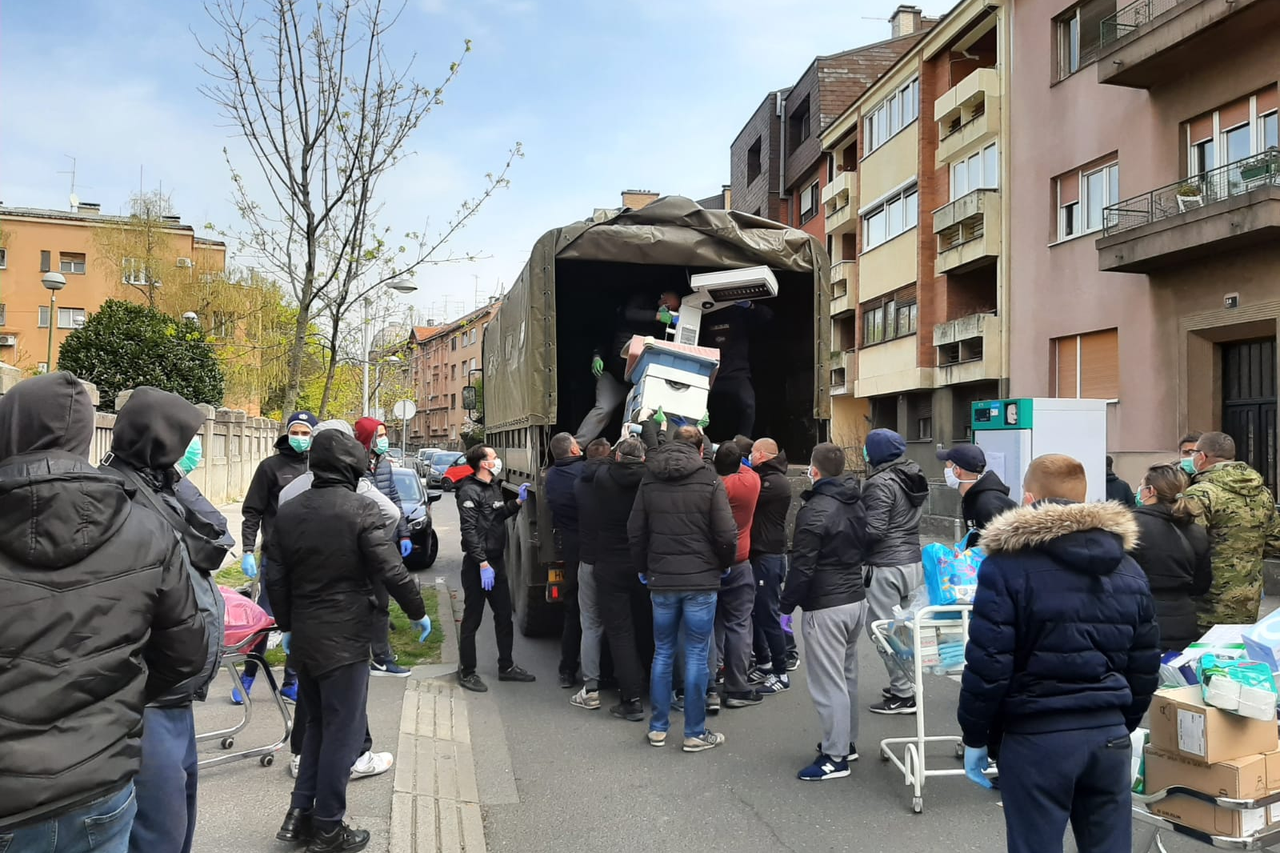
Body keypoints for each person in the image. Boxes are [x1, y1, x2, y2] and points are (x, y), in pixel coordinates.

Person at [0, 372, 207, 851]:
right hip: (100, 784)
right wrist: (114, 702)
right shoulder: (143, 523)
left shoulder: (147, 514)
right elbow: (185, 655)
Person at [958, 454, 1159, 853]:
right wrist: (1122, 722)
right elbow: (1144, 663)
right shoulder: (1128, 568)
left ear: (1030, 499)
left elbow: (989, 664)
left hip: (1037, 736)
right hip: (1108, 735)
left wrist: (977, 736)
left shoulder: (1006, 567)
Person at [267, 430, 431, 852]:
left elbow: (276, 576)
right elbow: (392, 570)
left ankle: (299, 814)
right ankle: (328, 826)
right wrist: (417, 611)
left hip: (304, 632)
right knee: (344, 730)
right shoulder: (360, 508)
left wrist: (286, 625)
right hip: (345, 635)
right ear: (352, 465)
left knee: (318, 726)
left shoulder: (289, 509)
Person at [102, 388, 227, 853]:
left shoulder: (158, 485)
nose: (192, 447)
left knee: (179, 819)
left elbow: (215, 535)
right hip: (145, 694)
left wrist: (174, 477)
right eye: (185, 437)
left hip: (175, 692)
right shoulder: (116, 495)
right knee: (158, 830)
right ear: (158, 436)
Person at [279, 420, 400, 783]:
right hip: (344, 610)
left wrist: (285, 622)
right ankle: (349, 770)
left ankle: (302, 761)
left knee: (312, 696)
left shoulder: (292, 492)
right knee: (347, 696)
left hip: (304, 608)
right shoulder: (355, 492)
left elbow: (277, 567)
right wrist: (369, 545)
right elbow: (391, 515)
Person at [629, 424, 737, 752]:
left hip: (661, 580)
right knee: (695, 654)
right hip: (702, 581)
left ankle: (659, 728)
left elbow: (635, 530)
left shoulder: (650, 478)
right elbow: (726, 534)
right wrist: (723, 563)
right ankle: (693, 732)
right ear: (702, 450)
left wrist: (644, 568)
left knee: (662, 652)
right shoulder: (710, 480)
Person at [780, 443, 869, 781]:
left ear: (813, 470)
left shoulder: (814, 509)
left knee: (827, 682)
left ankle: (835, 758)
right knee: (846, 677)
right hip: (854, 598)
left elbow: (802, 566)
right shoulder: (854, 501)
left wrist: (785, 607)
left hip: (826, 604)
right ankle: (845, 743)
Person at [240, 410, 317, 700]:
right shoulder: (270, 467)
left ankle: (291, 682)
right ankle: (247, 676)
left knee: (301, 622)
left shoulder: (319, 467)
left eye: (305, 433)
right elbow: (252, 511)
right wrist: (248, 549)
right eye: (295, 432)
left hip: (308, 558)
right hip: (275, 556)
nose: (299, 438)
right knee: (266, 619)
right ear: (287, 433)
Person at [455, 444, 537, 692]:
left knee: (504, 617)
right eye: (494, 457)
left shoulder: (493, 487)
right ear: (483, 463)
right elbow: (468, 531)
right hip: (477, 566)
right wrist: (481, 563)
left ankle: (507, 666)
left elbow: (496, 516)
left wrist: (518, 503)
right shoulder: (469, 491)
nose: (498, 460)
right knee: (472, 620)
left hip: (496, 563)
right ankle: (467, 672)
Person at [860, 429, 928, 716]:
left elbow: (874, 530)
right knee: (903, 629)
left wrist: (848, 534)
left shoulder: (879, 483)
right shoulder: (915, 475)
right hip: (912, 561)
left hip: (885, 565)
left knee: (883, 631)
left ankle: (903, 694)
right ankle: (908, 684)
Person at [1185, 431, 1280, 627]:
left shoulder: (1201, 492)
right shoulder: (1262, 492)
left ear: (1201, 457)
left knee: (1204, 652)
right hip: (1249, 592)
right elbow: (1273, 541)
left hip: (1208, 596)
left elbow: (1189, 545)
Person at [594, 437, 653, 721]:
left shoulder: (603, 478)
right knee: (647, 624)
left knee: (619, 631)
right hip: (643, 564)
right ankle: (652, 681)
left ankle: (630, 699)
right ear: (642, 459)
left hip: (609, 565)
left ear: (616, 457)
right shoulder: (650, 480)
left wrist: (620, 441)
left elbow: (603, 460)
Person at [666, 289, 773, 439]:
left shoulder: (738, 311)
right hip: (709, 372)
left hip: (737, 373)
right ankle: (689, 440)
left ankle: (743, 444)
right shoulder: (704, 310)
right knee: (690, 405)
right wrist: (680, 319)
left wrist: (750, 306)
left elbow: (767, 315)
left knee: (748, 406)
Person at [353, 417, 414, 678]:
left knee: (381, 602)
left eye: (385, 434)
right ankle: (358, 657)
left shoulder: (385, 463)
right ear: (366, 439)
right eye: (378, 435)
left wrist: (404, 534)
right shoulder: (354, 467)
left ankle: (381, 657)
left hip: (383, 542)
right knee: (359, 603)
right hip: (360, 544)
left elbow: (394, 500)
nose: (383, 439)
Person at [1131, 462, 1213, 651]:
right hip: (1184, 618)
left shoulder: (1132, 525)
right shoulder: (1196, 530)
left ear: (1150, 491)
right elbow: (1202, 584)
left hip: (1142, 617)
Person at [575, 292, 669, 445]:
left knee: (643, 414)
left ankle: (638, 452)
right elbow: (628, 315)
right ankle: (576, 446)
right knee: (604, 408)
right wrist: (597, 356)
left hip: (638, 380)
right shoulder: (631, 314)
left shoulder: (661, 327)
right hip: (613, 376)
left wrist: (668, 319)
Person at [713, 442, 763, 708]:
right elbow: (747, 465)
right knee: (739, 625)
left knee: (708, 626)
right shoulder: (751, 482)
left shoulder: (712, 487)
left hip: (709, 565)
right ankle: (736, 688)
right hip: (740, 562)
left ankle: (709, 682)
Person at [569, 437, 614, 711]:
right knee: (620, 624)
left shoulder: (579, 483)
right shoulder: (615, 484)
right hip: (615, 560)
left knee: (591, 623)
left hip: (588, 559)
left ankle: (591, 687)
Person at [748, 437, 793, 695]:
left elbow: (748, 493)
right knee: (757, 612)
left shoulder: (773, 482)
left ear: (762, 454)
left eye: (753, 453)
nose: (751, 457)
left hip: (769, 555)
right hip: (760, 553)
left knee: (768, 614)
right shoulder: (765, 477)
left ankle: (780, 671)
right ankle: (764, 663)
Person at [544, 432, 586, 689]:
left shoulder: (551, 477)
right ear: (572, 451)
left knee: (573, 609)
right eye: (577, 444)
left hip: (569, 549)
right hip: (592, 547)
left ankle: (567, 670)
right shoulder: (584, 472)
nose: (581, 447)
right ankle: (603, 672)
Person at [937, 444, 1017, 545]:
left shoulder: (987, 504)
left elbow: (999, 551)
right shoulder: (975, 497)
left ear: (956, 470)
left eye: (947, 466)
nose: (945, 471)